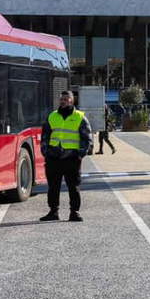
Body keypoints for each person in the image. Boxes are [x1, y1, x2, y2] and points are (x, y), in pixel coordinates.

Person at [39, 89, 92, 222]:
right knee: (53, 187)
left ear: (71, 100)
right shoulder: (52, 116)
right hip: (53, 158)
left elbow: (87, 138)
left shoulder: (80, 117)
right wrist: (46, 152)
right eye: (61, 99)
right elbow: (45, 136)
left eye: (65, 99)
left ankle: (74, 212)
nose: (63, 101)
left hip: (72, 158)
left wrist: (80, 154)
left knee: (73, 187)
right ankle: (53, 212)